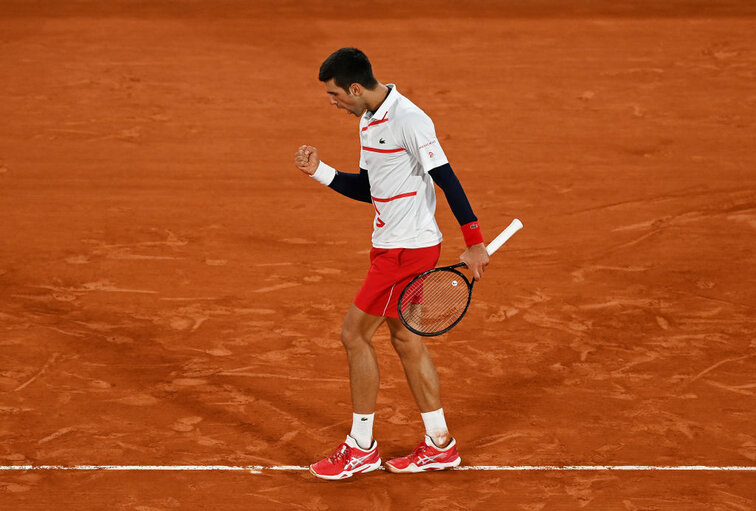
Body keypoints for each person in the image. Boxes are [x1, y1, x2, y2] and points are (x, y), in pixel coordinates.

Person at [294, 47, 489, 480]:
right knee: (406, 339)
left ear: (356, 88)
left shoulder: (410, 120)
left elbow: (446, 177)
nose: (333, 102)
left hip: (407, 250)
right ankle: (440, 444)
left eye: (335, 95)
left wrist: (474, 241)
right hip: (391, 245)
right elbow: (370, 188)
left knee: (354, 335)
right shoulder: (368, 120)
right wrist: (320, 171)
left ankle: (360, 447)